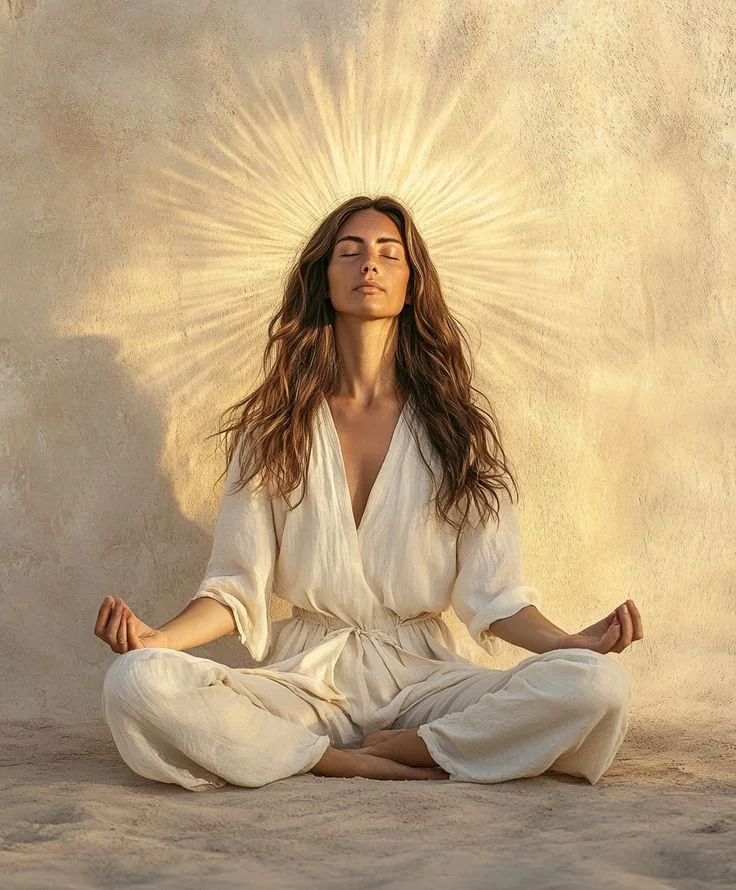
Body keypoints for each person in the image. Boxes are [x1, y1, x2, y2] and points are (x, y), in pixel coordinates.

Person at [95, 195, 644, 791]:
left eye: (389, 253)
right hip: (306, 684)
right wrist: (154, 640)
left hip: (428, 682)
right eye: (349, 252)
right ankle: (337, 757)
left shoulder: (457, 431)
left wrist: (570, 643)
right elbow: (235, 589)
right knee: (135, 680)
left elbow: (497, 596)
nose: (369, 266)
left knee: (597, 683)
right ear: (323, 279)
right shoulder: (275, 428)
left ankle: (424, 746)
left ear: (412, 283)